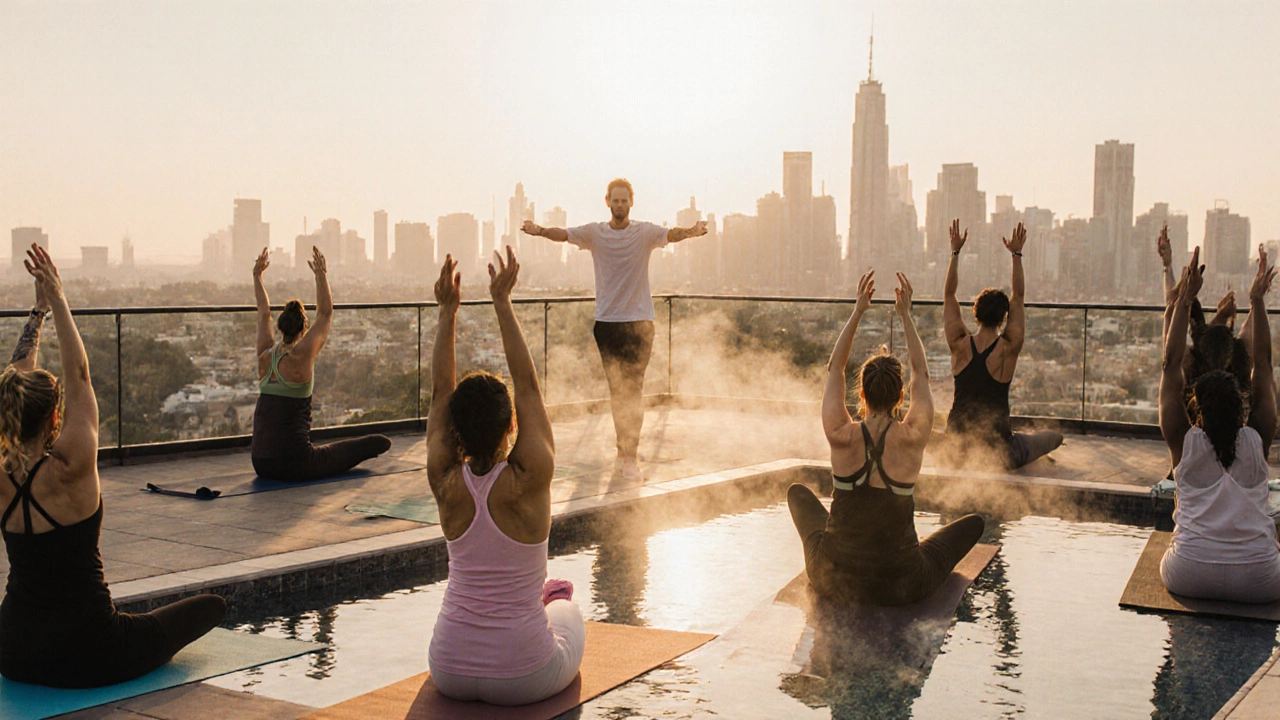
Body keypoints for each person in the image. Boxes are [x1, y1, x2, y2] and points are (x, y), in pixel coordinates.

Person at [0, 245, 225, 688]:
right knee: (211, 607)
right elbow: (78, 374)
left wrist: (38, 312)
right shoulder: (73, 465)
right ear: (55, 420)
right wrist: (58, 299)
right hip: (91, 651)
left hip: (13, 650)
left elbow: (13, 380)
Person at [426, 248, 585, 706]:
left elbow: (440, 390)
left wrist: (446, 312)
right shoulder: (528, 480)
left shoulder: (443, 479)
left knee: (543, 605)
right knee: (568, 611)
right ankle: (550, 598)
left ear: (454, 430)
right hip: (525, 675)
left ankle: (543, 599)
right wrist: (502, 302)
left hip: (448, 668)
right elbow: (529, 387)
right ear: (512, 425)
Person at [787, 270, 985, 607]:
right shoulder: (913, 437)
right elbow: (922, 374)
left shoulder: (840, 434)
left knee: (798, 494)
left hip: (832, 579)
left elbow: (835, 368)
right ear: (900, 395)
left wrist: (858, 311)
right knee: (975, 524)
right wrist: (905, 316)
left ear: (861, 393)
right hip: (902, 585)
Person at [521, 178, 708, 482]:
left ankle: (630, 457)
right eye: (615, 200)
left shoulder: (644, 232)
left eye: (624, 200)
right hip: (606, 324)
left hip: (640, 323)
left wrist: (691, 232)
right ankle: (624, 450)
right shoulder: (595, 233)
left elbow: (669, 235)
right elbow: (564, 235)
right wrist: (539, 230)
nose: (620, 205)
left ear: (631, 203)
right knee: (617, 391)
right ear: (607, 202)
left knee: (632, 391)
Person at [1158, 247, 1280, 603]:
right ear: (1241, 406)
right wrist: (1257, 301)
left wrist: (1185, 299)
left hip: (1188, 574)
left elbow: (1170, 365)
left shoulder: (1184, 443)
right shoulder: (1258, 438)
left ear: (1196, 405)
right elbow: (1265, 366)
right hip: (1261, 580)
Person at [250, 246, 391, 481]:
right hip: (295, 463)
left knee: (346, 448)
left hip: (260, 463)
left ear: (281, 326)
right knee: (371, 444)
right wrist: (321, 274)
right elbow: (325, 314)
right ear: (304, 329)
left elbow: (263, 312)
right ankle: (375, 444)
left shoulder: (265, 355)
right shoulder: (301, 355)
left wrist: (257, 276)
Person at [942, 220, 1062, 470]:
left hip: (956, 449)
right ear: (1003, 318)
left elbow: (949, 295)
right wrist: (1016, 254)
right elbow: (1018, 297)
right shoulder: (1008, 348)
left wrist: (955, 252)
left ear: (975, 313)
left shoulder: (959, 345)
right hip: (999, 453)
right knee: (1053, 438)